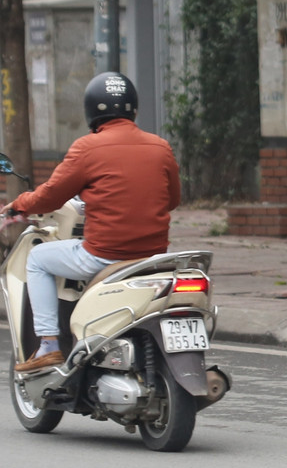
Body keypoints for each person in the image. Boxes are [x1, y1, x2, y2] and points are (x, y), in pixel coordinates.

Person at [3, 72, 181, 372]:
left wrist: (18, 205)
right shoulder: (160, 147)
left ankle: (48, 345)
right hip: (152, 258)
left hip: (103, 255)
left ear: (91, 109)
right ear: (133, 109)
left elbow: (49, 197)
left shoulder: (87, 148)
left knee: (37, 259)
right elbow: (172, 199)